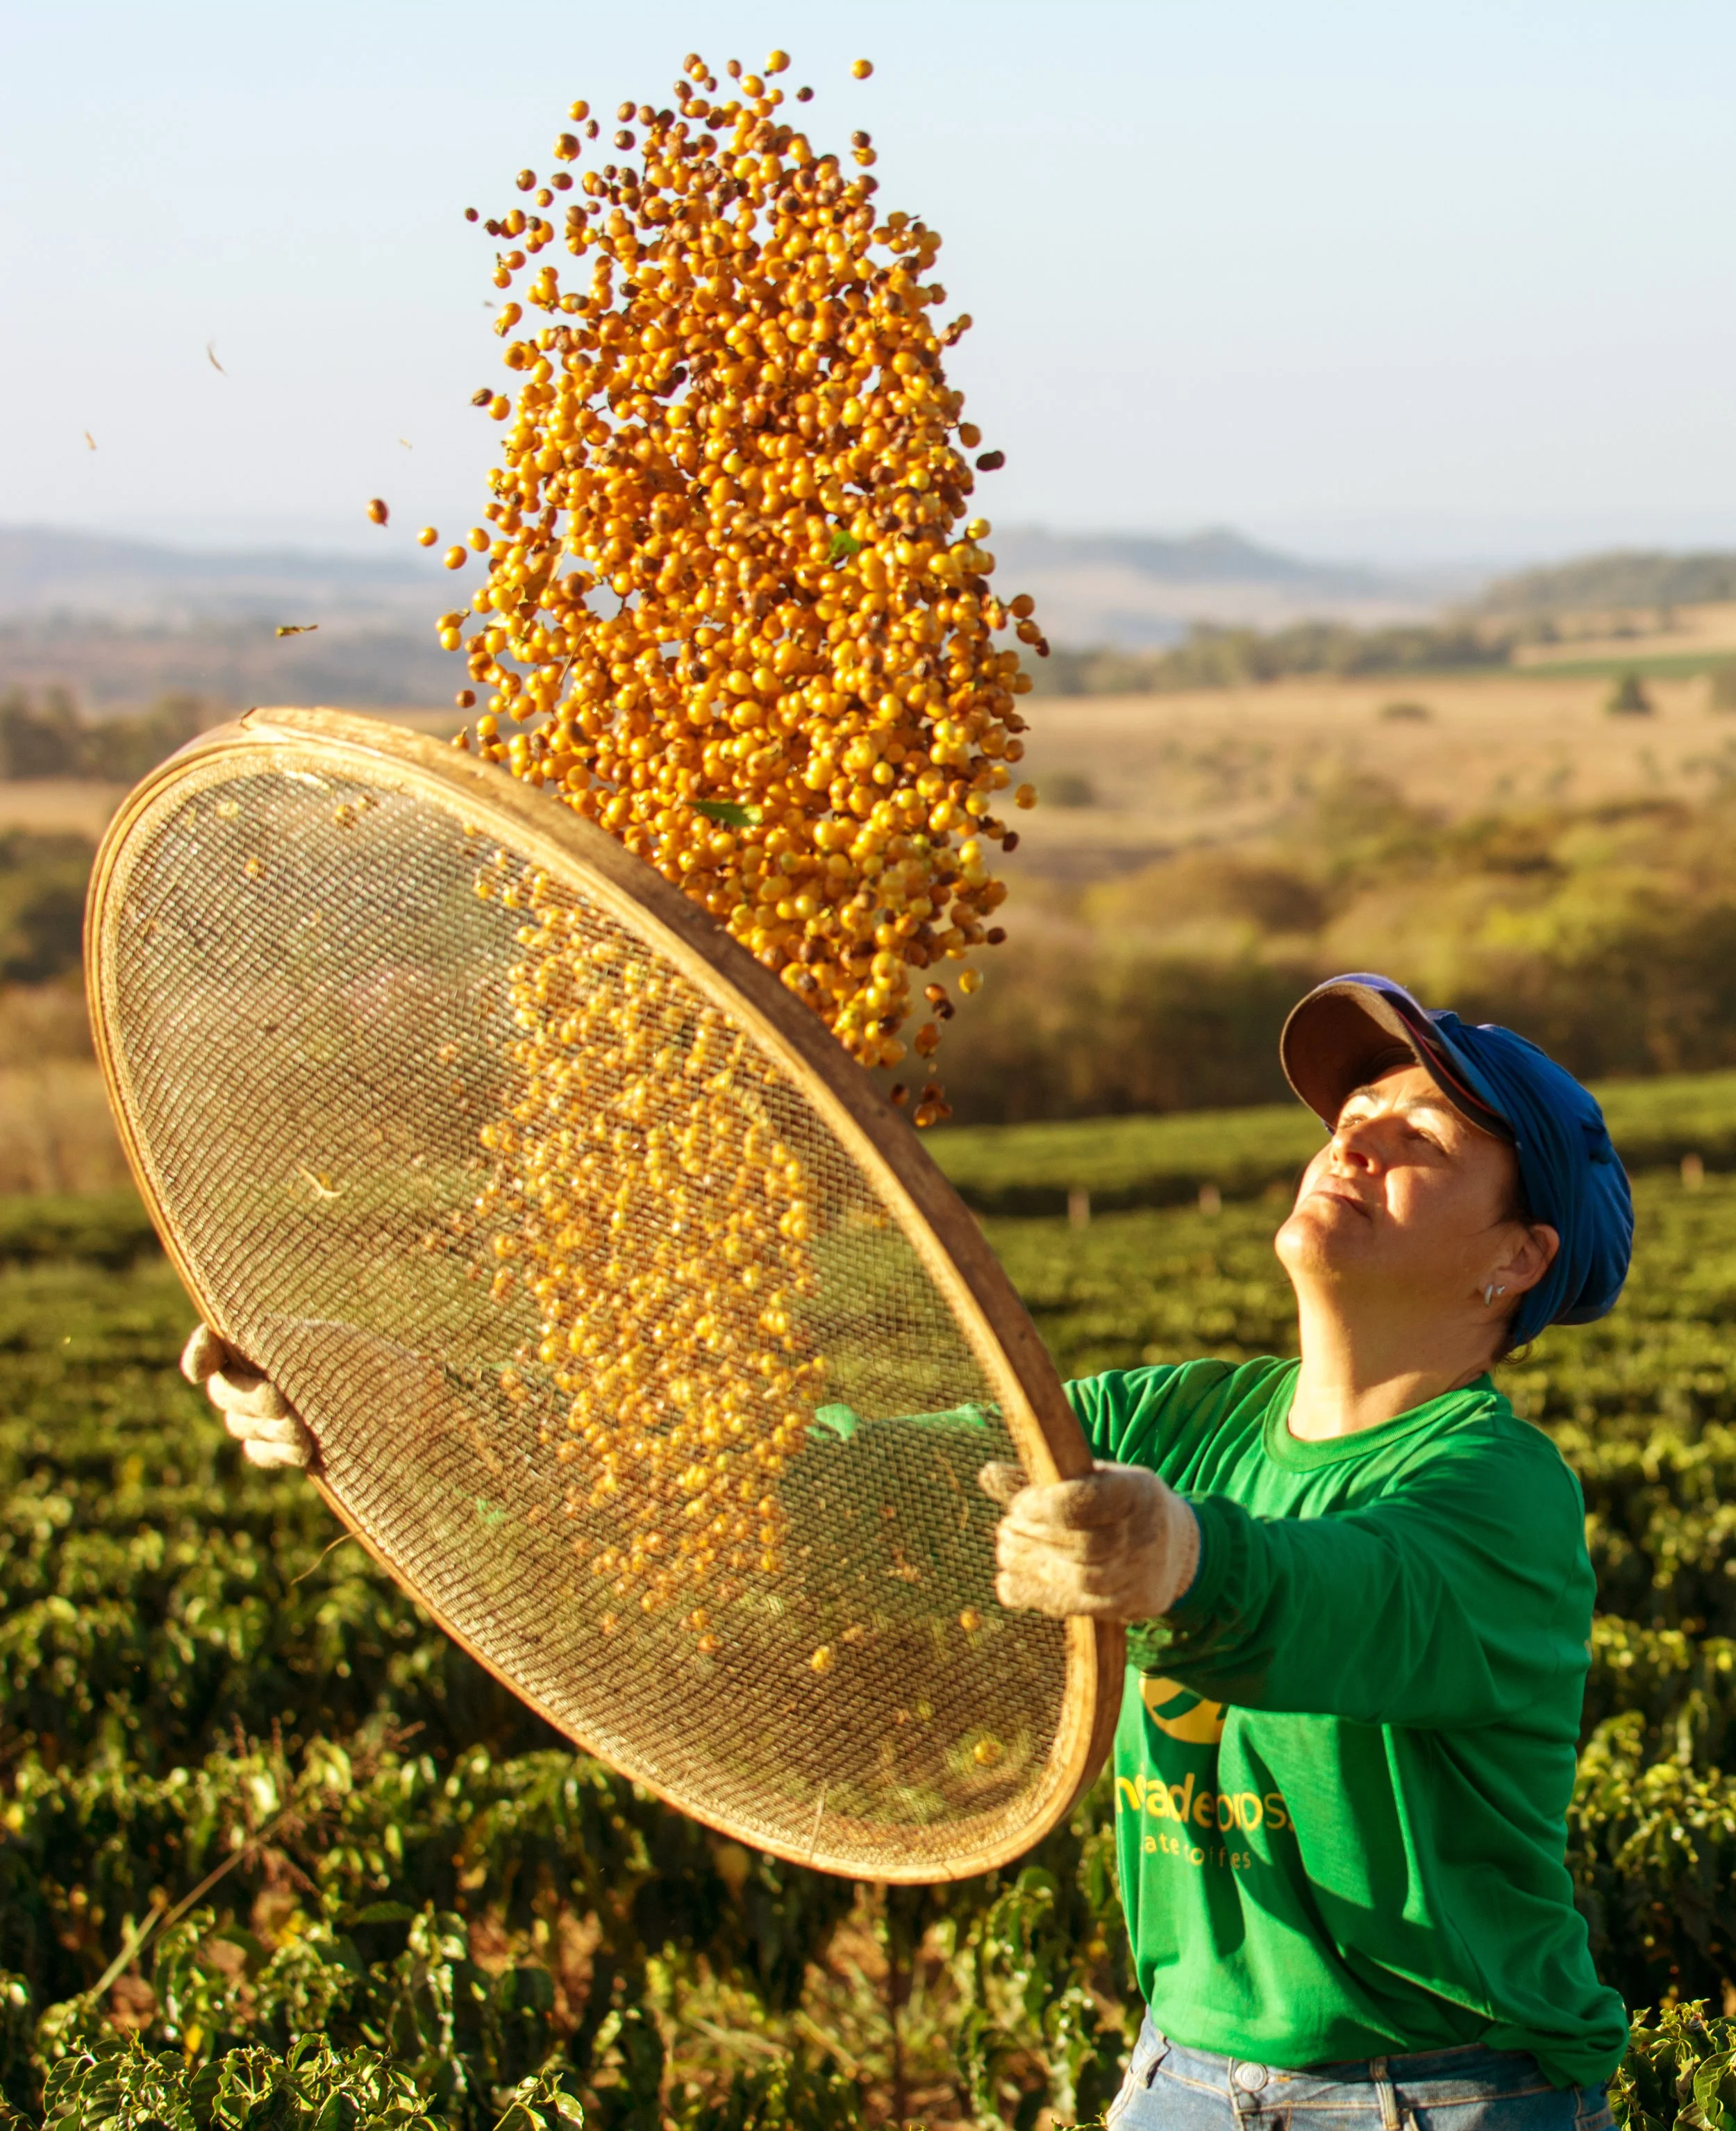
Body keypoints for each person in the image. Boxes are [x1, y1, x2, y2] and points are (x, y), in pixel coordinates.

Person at [187, 972, 1633, 2130]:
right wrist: (434, 1413)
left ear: (1514, 1260)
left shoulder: (1492, 1491)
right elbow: (823, 1498)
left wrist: (1175, 1554)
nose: (1356, 1133)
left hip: (1446, 2090)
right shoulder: (1173, 1415)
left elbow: (1344, 1602)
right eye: (1356, 1108)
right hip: (1187, 2073)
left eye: (1424, 1135)